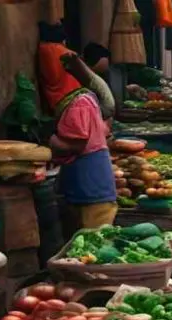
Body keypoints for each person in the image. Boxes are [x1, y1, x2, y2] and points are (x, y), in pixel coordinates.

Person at [50, 84, 117, 234]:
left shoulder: (79, 103)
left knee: (93, 246)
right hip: (83, 190)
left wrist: (51, 141)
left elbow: (77, 144)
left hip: (91, 192)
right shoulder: (85, 100)